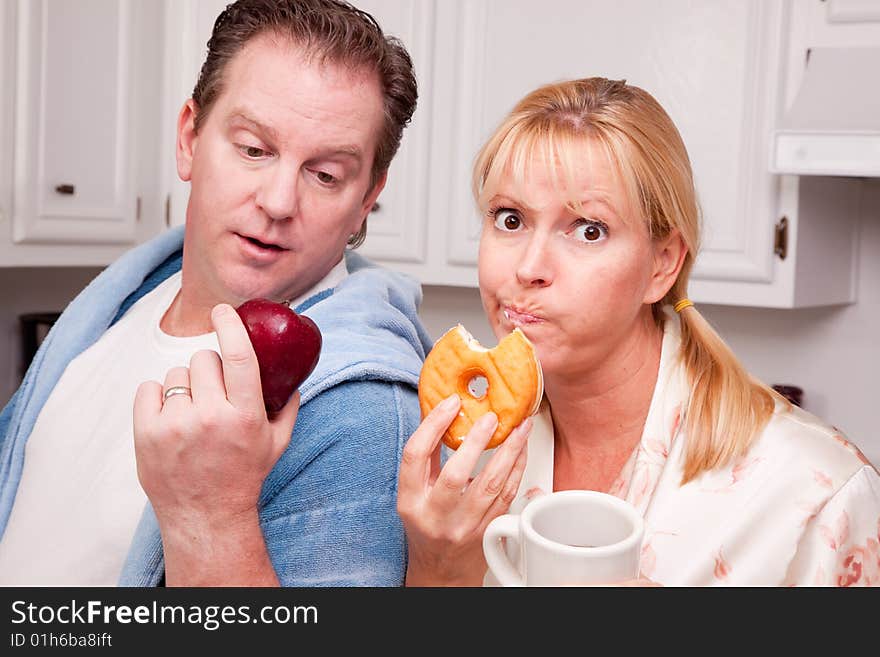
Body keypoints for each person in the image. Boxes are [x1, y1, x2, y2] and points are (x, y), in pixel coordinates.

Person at [0, 0, 432, 586]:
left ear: (366, 197)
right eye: (254, 149)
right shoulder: (125, 299)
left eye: (326, 174)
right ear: (189, 138)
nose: (279, 202)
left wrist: (211, 518)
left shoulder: (366, 416)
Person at [397, 77, 880, 586]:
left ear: (662, 264)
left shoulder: (816, 493)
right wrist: (437, 568)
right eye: (510, 219)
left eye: (588, 229)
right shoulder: (457, 466)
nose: (528, 268)